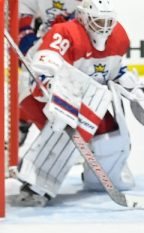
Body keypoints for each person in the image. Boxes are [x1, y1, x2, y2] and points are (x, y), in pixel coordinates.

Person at [13, 0, 144, 207]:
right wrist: (51, 90)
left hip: (78, 91)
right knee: (69, 123)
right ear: (83, 17)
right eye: (98, 21)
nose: (103, 27)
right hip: (34, 95)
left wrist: (140, 93)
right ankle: (35, 185)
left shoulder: (117, 36)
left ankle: (100, 176)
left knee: (108, 134)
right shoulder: (64, 32)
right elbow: (41, 70)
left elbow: (116, 70)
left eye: (106, 22)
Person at [17, 0, 81, 146]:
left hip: (76, 51)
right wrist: (32, 47)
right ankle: (22, 125)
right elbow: (20, 20)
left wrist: (70, 26)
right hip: (44, 48)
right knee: (27, 93)